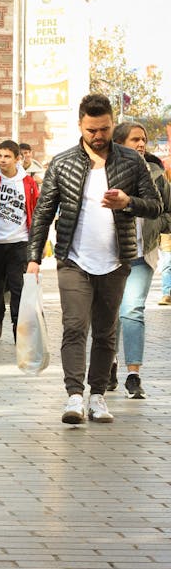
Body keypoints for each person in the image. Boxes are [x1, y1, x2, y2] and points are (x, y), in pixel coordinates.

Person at [26, 94, 163, 424]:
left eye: (104, 129)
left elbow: (156, 205)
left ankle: (98, 396)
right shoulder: (62, 163)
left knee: (105, 331)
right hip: (74, 260)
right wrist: (33, 258)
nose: (98, 136)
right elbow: (43, 213)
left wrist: (128, 201)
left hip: (116, 261)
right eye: (91, 130)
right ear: (80, 126)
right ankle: (74, 395)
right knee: (75, 326)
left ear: (112, 123)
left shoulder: (131, 161)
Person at [110, 122, 171, 399]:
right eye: (135, 139)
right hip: (108, 255)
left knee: (132, 310)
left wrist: (156, 224)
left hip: (141, 255)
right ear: (119, 142)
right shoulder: (103, 171)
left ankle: (133, 374)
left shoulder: (157, 173)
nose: (141, 143)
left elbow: (168, 211)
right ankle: (108, 364)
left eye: (143, 139)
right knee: (109, 314)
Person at [0, 140, 39, 341]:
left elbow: (36, 211)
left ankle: (17, 326)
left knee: (17, 286)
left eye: (7, 156)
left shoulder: (28, 184)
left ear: (17, 159)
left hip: (19, 242)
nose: (2, 160)